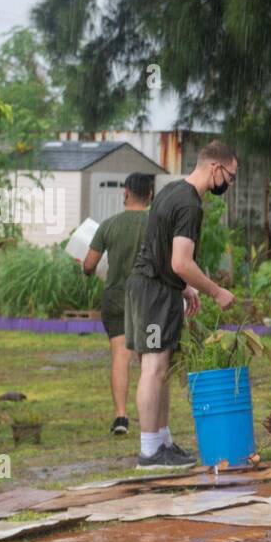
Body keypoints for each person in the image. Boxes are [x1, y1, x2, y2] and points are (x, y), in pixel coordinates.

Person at [125, 141, 238, 469]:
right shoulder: (190, 204)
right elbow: (180, 261)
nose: (228, 185)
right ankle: (149, 451)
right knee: (153, 368)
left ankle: (162, 441)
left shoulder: (172, 190)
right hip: (153, 290)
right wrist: (216, 291)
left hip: (156, 287)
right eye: (229, 178)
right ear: (215, 168)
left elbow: (162, 249)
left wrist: (185, 287)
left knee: (161, 370)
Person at [83, 172, 154, 436]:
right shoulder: (156, 225)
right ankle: (150, 419)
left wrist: (87, 270)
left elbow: (90, 265)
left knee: (120, 356)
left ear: (125, 193)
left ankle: (121, 417)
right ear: (150, 195)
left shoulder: (108, 225)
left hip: (115, 298)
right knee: (148, 359)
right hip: (147, 298)